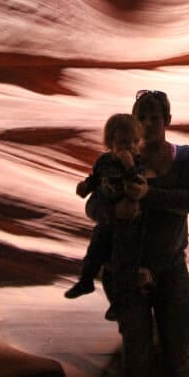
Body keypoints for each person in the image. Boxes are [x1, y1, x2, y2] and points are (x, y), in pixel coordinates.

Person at [87, 90, 189, 377]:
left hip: (171, 269)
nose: (147, 124)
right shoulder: (117, 160)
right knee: (137, 355)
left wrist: (148, 195)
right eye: (141, 117)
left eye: (154, 117)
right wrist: (116, 212)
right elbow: (93, 207)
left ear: (167, 121)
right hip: (128, 274)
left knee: (180, 351)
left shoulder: (184, 158)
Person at [65, 113, 148, 321]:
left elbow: (138, 184)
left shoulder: (137, 162)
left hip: (126, 225)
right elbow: (95, 179)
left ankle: (118, 304)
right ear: (110, 141)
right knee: (94, 252)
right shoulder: (103, 161)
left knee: (121, 263)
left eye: (132, 142)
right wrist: (86, 187)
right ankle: (85, 281)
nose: (127, 146)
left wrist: (129, 166)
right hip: (106, 219)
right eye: (122, 142)